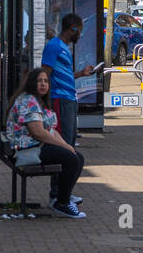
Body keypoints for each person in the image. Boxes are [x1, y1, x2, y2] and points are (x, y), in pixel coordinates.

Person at [5, 67, 84, 219]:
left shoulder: (39, 101)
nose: (43, 84)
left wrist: (68, 147)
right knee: (70, 159)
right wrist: (65, 147)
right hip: (26, 150)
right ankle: (62, 203)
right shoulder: (28, 101)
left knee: (77, 157)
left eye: (46, 81)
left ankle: (61, 196)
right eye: (39, 81)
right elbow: (38, 132)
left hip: (36, 147)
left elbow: (52, 130)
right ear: (31, 83)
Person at [40, 13, 95, 156]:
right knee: (63, 142)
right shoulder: (54, 46)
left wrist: (82, 73)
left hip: (69, 99)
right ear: (73, 29)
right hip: (60, 99)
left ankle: (64, 175)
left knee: (69, 140)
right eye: (80, 31)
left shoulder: (63, 47)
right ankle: (60, 176)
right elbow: (45, 73)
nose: (80, 35)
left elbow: (64, 75)